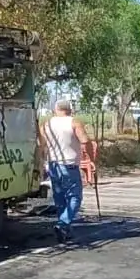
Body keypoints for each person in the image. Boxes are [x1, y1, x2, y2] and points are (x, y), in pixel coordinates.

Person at [42, 99, 91, 244]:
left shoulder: (47, 124)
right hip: (69, 164)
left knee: (60, 197)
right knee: (75, 197)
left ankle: (66, 229)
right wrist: (90, 158)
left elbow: (41, 144)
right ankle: (63, 224)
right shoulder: (74, 122)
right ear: (70, 109)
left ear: (55, 109)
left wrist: (40, 161)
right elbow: (85, 141)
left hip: (53, 164)